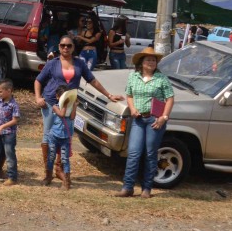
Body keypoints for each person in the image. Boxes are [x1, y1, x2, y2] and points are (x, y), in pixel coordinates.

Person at [34, 35, 122, 184]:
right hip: (50, 103)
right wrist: (37, 98)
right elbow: (38, 80)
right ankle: (47, 172)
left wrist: (108, 95)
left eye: (69, 45)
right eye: (62, 46)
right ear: (59, 47)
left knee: (64, 136)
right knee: (48, 136)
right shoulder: (52, 63)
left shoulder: (79, 64)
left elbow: (92, 80)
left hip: (69, 105)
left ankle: (59, 168)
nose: (65, 48)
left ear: (74, 47)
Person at [117, 47, 174, 199]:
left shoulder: (162, 79)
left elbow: (170, 98)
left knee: (150, 154)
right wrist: (132, 108)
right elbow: (129, 95)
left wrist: (164, 117)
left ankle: (146, 188)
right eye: (148, 59)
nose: (151, 62)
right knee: (134, 153)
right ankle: (127, 187)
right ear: (141, 62)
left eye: (153, 60)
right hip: (138, 119)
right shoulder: (133, 77)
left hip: (154, 120)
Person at [46, 85, 77, 191]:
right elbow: (62, 114)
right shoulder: (55, 106)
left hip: (65, 138)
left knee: (65, 160)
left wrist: (74, 106)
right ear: (58, 97)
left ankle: (66, 182)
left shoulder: (70, 108)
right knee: (51, 157)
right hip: (54, 136)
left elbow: (72, 117)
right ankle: (48, 176)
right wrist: (65, 105)